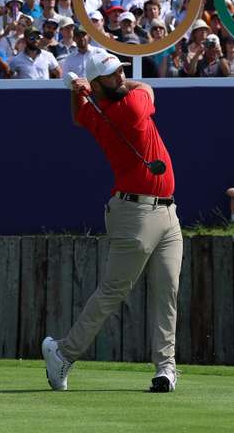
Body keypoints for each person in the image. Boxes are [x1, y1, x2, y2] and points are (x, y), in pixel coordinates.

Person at [43, 53, 181, 394]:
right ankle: (62, 352)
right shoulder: (132, 105)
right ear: (99, 83)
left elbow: (79, 117)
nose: (121, 76)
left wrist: (79, 91)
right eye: (112, 74)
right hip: (135, 215)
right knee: (113, 290)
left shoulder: (97, 112)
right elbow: (146, 85)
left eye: (120, 70)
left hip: (168, 215)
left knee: (168, 291)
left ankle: (165, 368)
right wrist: (89, 88)